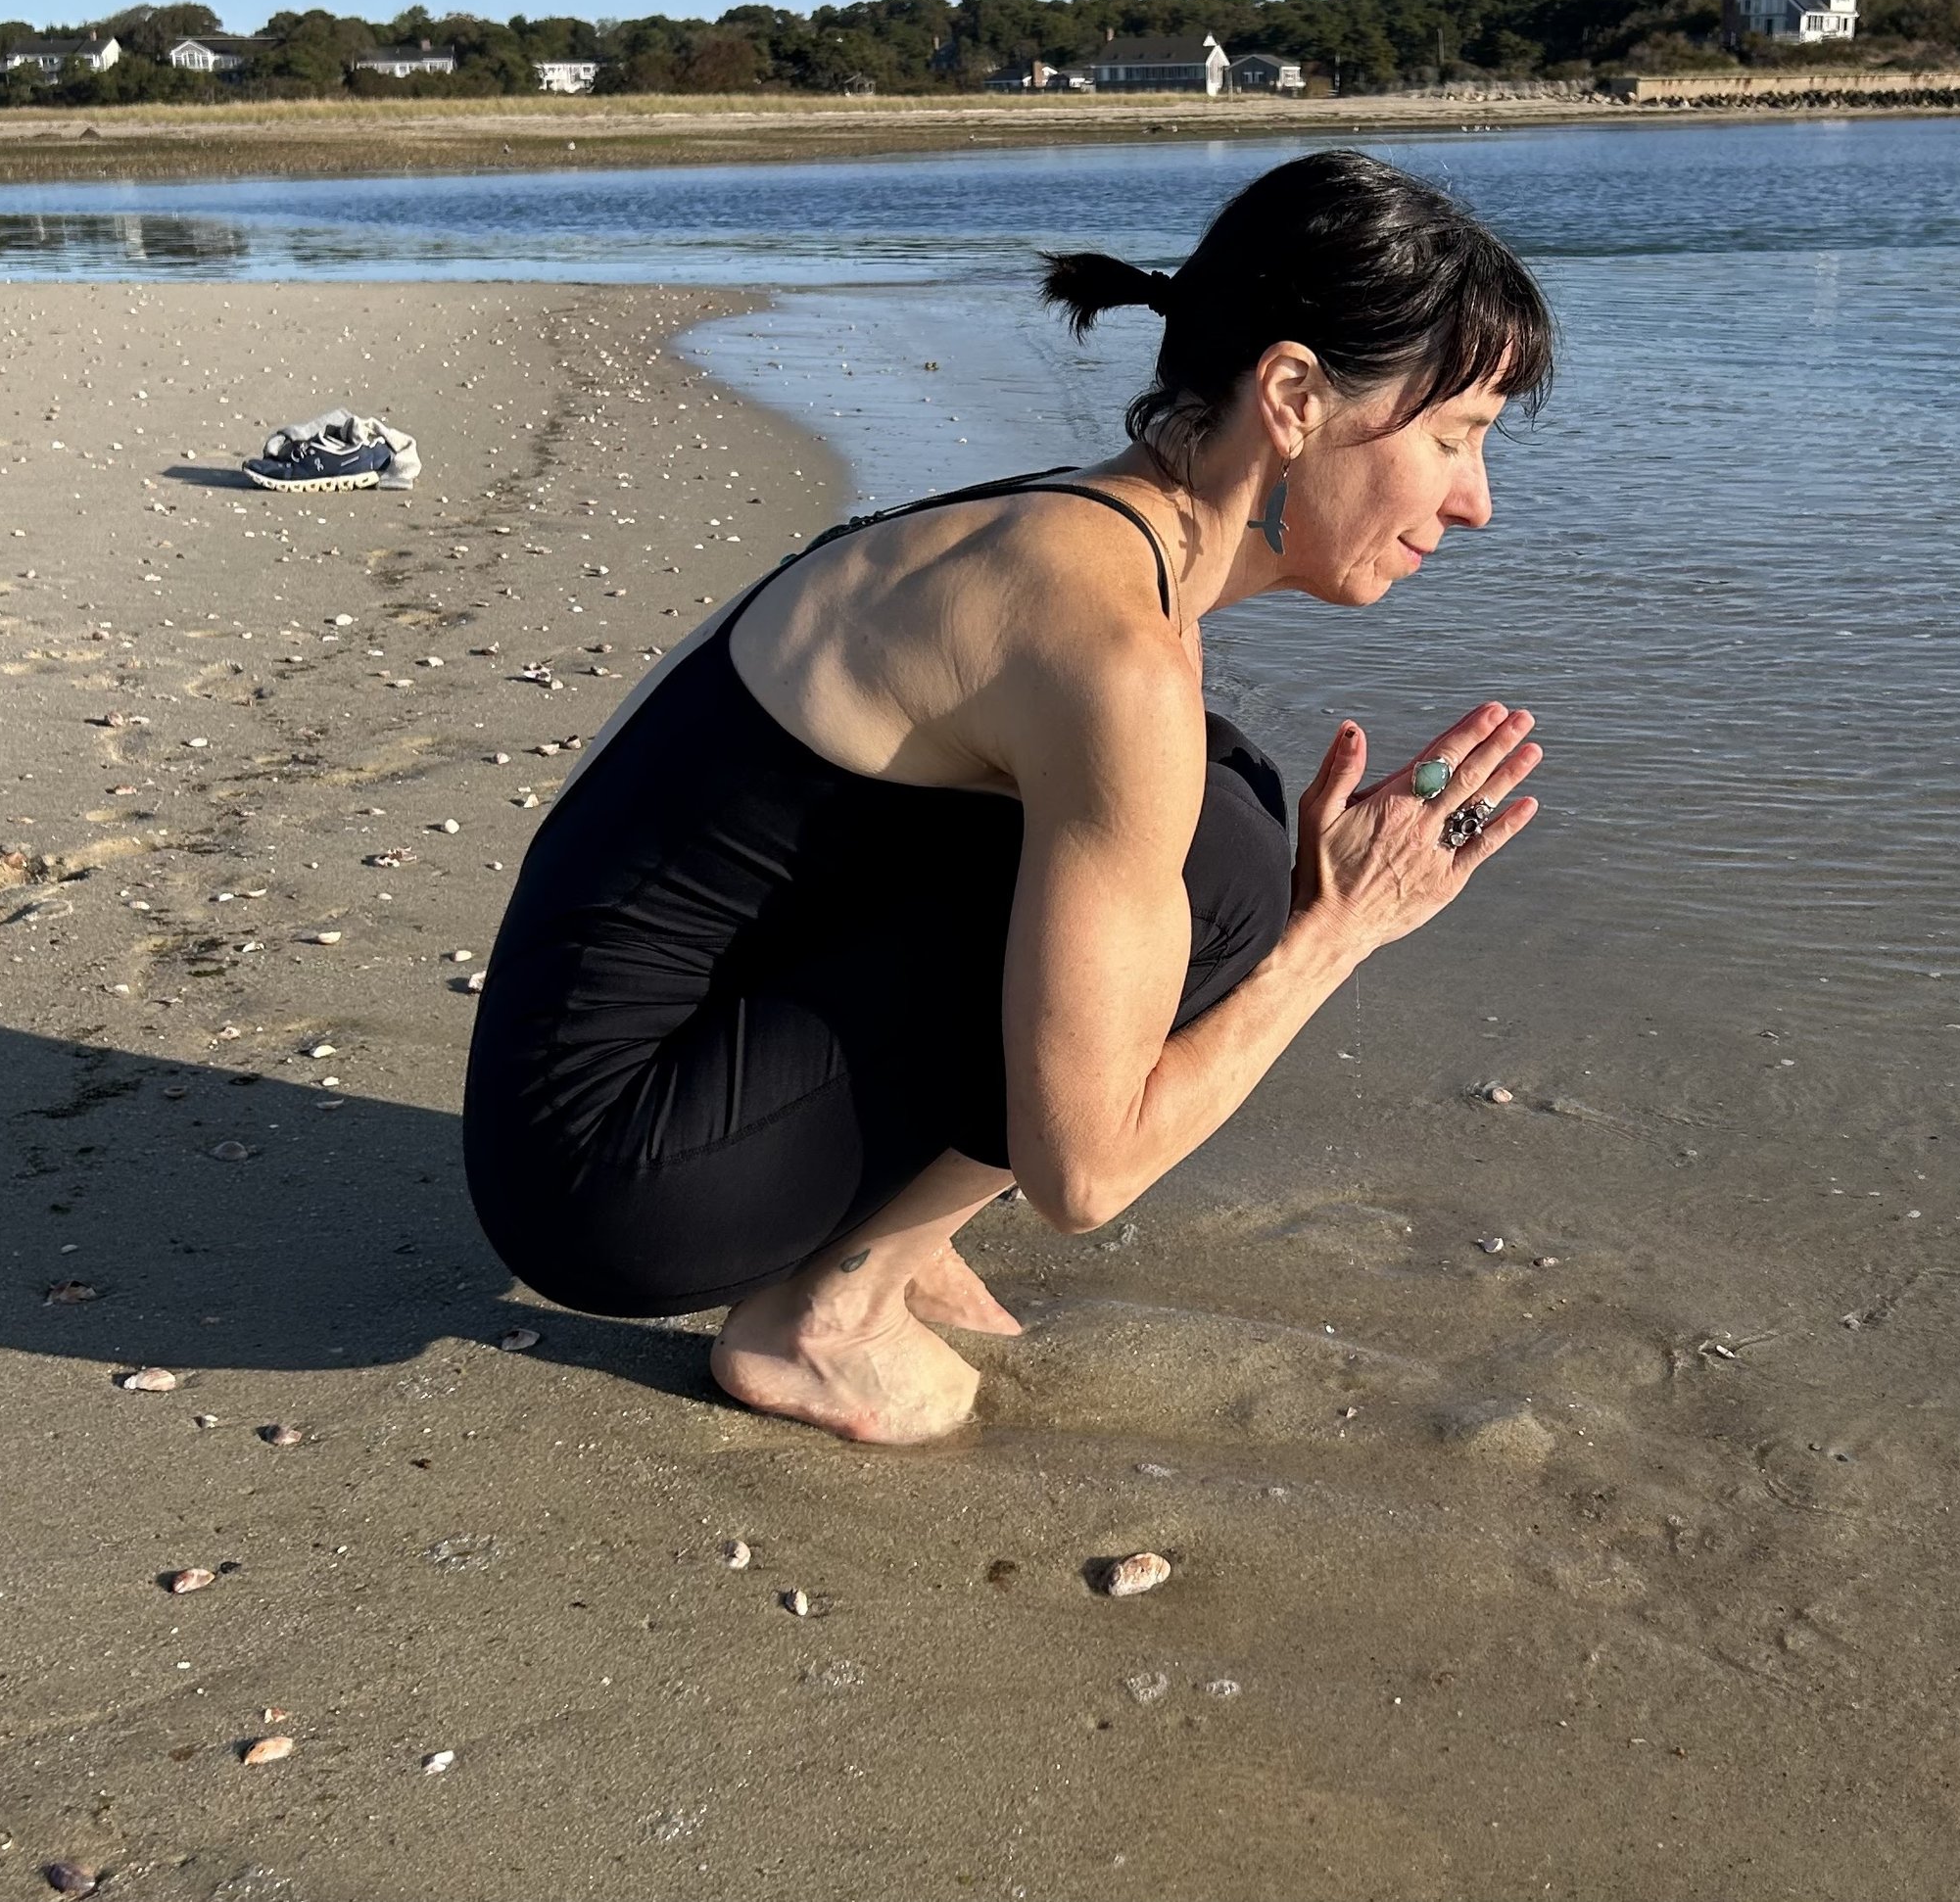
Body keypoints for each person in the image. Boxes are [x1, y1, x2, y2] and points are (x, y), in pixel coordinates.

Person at [462, 150, 1554, 1444]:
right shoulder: (1109, 648)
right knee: (1228, 874)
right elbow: (1084, 1174)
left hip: (595, 1076)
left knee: (1226, 805)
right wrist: (1338, 934)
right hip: (605, 1184)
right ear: (1295, 394)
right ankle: (831, 1318)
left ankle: (882, 1235)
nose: (1477, 504)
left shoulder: (1080, 531)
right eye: (1454, 437)